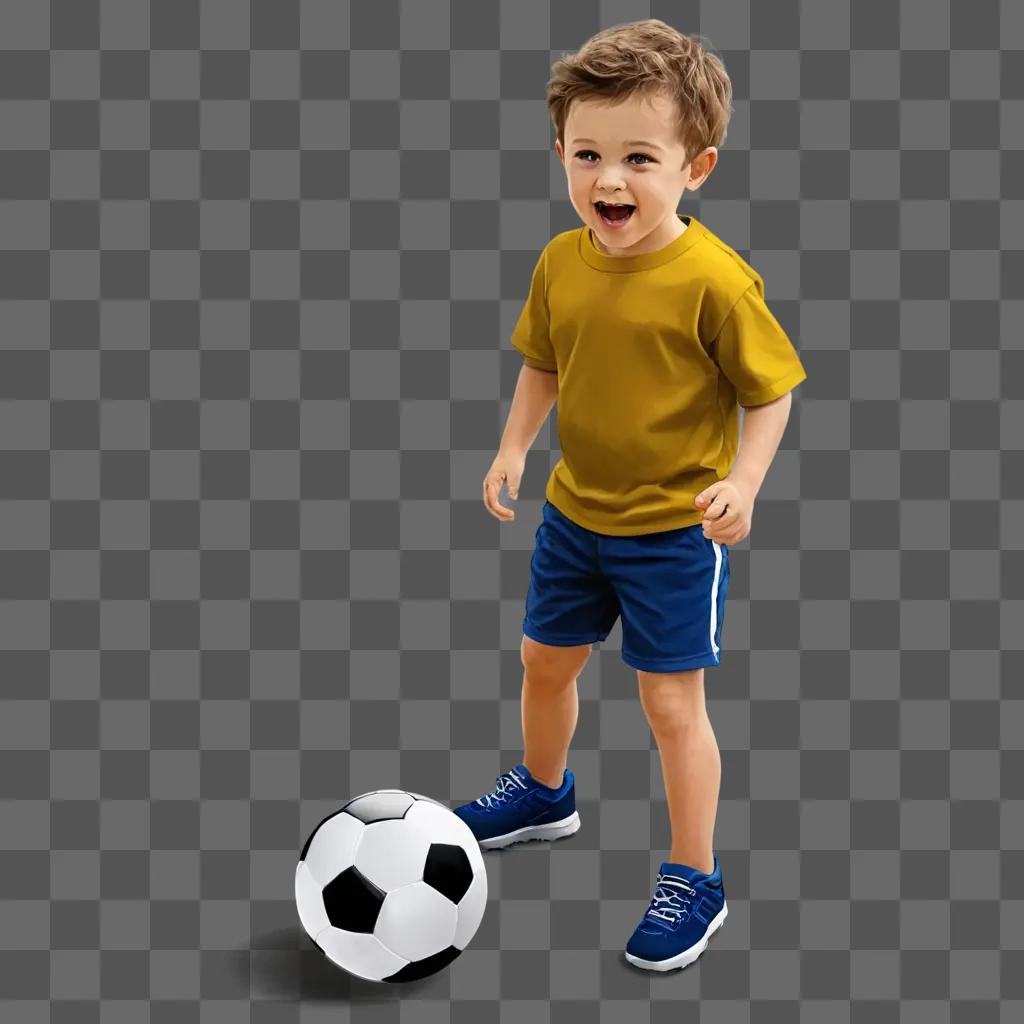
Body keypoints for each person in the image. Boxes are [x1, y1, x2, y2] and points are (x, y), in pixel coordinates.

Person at [452, 18, 807, 973]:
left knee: (669, 704)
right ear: (560, 152)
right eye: (588, 154)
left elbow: (770, 391)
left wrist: (742, 480)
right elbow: (543, 361)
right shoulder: (561, 261)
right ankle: (543, 790)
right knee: (543, 662)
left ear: (697, 167)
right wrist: (513, 450)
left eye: (639, 158)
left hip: (670, 533)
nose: (609, 181)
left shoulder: (715, 282)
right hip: (575, 515)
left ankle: (696, 875)